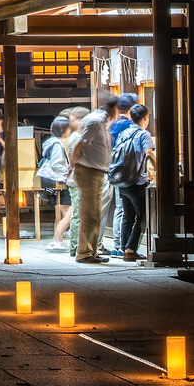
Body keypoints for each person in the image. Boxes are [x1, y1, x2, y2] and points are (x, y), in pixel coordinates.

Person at [68, 96, 116, 263]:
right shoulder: (96, 122)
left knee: (95, 214)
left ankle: (91, 251)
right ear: (112, 108)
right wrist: (73, 165)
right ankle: (84, 253)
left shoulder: (101, 123)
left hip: (97, 172)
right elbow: (80, 145)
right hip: (89, 172)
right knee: (90, 214)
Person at [113, 103, 155, 261]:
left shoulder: (124, 133)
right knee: (142, 216)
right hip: (137, 182)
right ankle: (130, 249)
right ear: (146, 118)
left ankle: (125, 249)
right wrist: (159, 172)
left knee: (127, 216)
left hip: (122, 181)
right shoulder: (144, 134)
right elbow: (149, 154)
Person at [40, 111, 82, 251]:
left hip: (49, 182)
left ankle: (58, 239)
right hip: (58, 182)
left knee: (60, 213)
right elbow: (57, 164)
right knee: (69, 213)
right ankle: (56, 240)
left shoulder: (49, 142)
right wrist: (68, 172)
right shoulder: (57, 144)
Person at [104, 94, 138, 250]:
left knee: (119, 208)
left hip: (113, 170)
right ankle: (120, 244)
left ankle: (117, 244)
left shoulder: (112, 125)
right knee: (125, 209)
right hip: (127, 172)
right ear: (131, 109)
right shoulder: (130, 126)